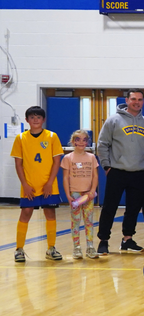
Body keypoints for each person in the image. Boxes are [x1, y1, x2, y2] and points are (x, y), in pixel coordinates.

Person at [94, 89, 144, 255]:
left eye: (140, 99)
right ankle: (103, 240)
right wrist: (107, 166)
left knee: (134, 208)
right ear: (127, 100)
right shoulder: (113, 120)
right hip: (117, 171)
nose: (137, 102)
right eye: (133, 99)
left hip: (140, 172)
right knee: (109, 207)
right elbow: (102, 144)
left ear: (143, 102)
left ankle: (127, 239)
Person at [10, 106, 64, 262]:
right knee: (26, 213)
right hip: (30, 185)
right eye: (32, 117)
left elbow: (56, 162)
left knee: (50, 213)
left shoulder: (52, 136)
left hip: (49, 184)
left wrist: (49, 183)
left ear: (43, 119)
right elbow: (18, 164)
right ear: (27, 120)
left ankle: (51, 248)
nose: (35, 120)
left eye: (38, 117)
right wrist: (25, 185)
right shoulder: (20, 138)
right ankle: (19, 249)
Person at [61, 130, 100, 259]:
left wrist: (92, 190)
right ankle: (76, 248)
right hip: (75, 195)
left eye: (84, 139)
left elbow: (95, 175)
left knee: (89, 221)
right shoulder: (68, 158)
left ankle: (90, 246)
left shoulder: (92, 157)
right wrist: (68, 194)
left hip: (88, 195)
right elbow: (65, 178)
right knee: (76, 222)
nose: (82, 142)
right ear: (73, 141)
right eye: (78, 139)